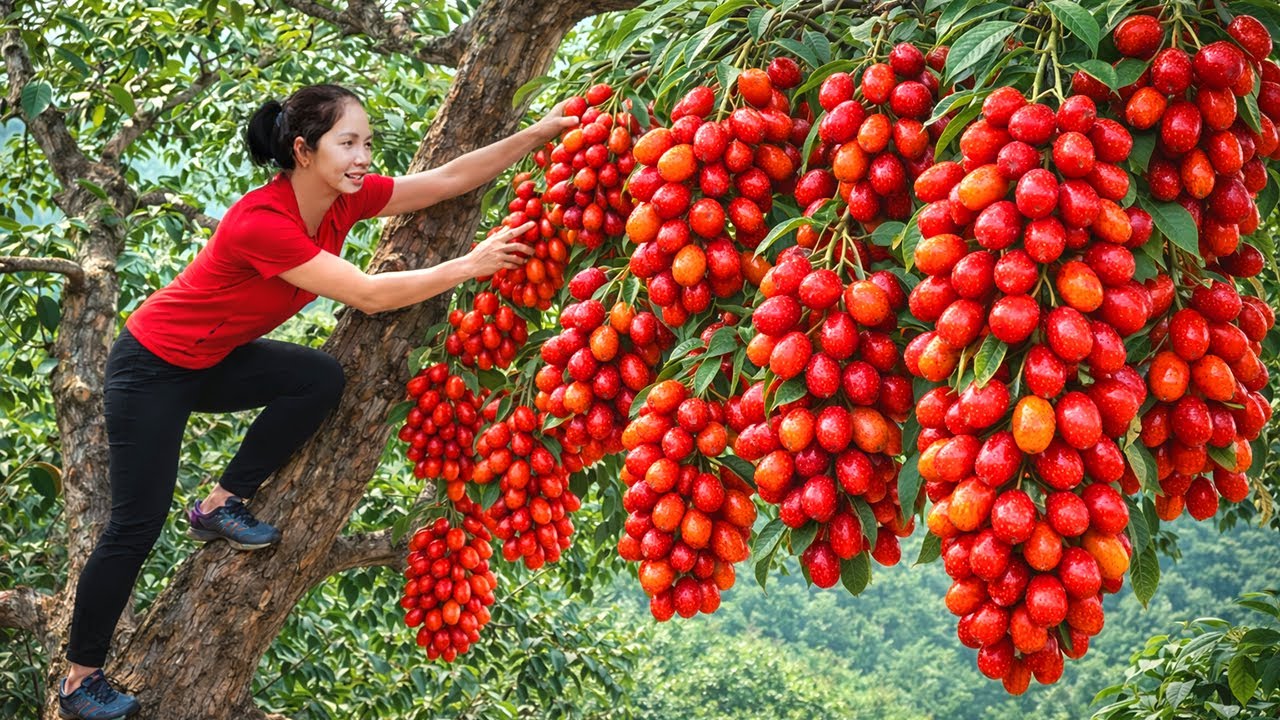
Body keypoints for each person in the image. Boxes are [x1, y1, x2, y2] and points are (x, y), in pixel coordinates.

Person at [56, 83, 576, 720]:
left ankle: (221, 503)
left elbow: (444, 180)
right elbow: (369, 294)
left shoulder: (340, 202)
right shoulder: (261, 221)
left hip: (214, 359)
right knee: (135, 526)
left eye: (366, 142)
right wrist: (469, 265)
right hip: (151, 368)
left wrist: (545, 130)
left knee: (318, 378)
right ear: (303, 150)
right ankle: (81, 678)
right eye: (347, 143)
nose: (363, 156)